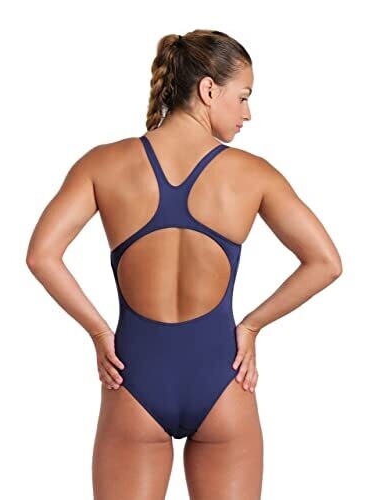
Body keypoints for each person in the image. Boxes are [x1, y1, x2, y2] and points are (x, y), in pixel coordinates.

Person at [26, 29, 342, 500]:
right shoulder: (253, 174)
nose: (248, 113)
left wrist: (99, 333)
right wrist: (251, 326)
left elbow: (41, 255)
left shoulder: (103, 164)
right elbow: (326, 262)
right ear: (209, 90)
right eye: (243, 97)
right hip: (223, 378)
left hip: (132, 378)